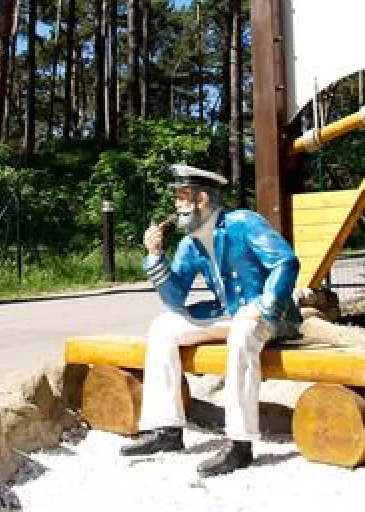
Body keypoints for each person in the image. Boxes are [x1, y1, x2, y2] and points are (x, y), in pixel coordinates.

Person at [120, 164, 302, 478]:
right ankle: (167, 431)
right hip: (228, 314)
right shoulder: (191, 243)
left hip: (267, 315)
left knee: (244, 331)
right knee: (163, 327)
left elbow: (285, 261)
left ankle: (240, 443)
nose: (176, 205)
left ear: (202, 199)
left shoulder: (243, 223)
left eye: (181, 197)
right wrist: (155, 256)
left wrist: (265, 305)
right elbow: (175, 297)